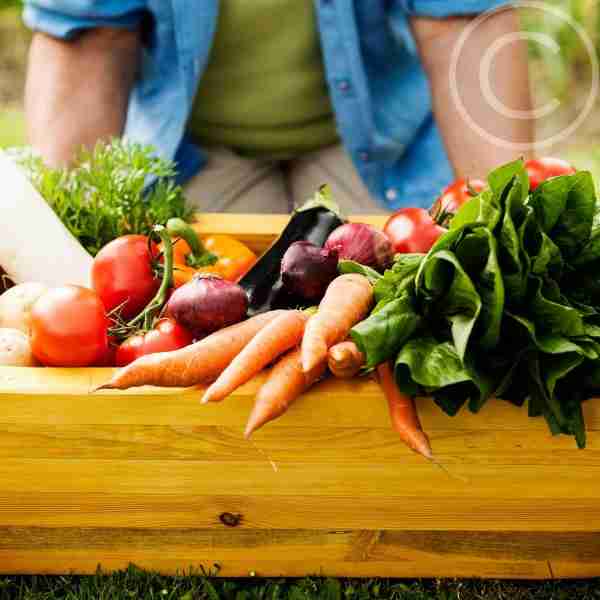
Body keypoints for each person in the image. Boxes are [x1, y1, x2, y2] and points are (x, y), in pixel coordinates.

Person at [22, 1, 533, 214]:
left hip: (380, 143)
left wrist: (510, 222)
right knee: (206, 315)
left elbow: (459, 23)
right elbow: (91, 38)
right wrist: (59, 243)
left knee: (397, 317)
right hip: (195, 149)